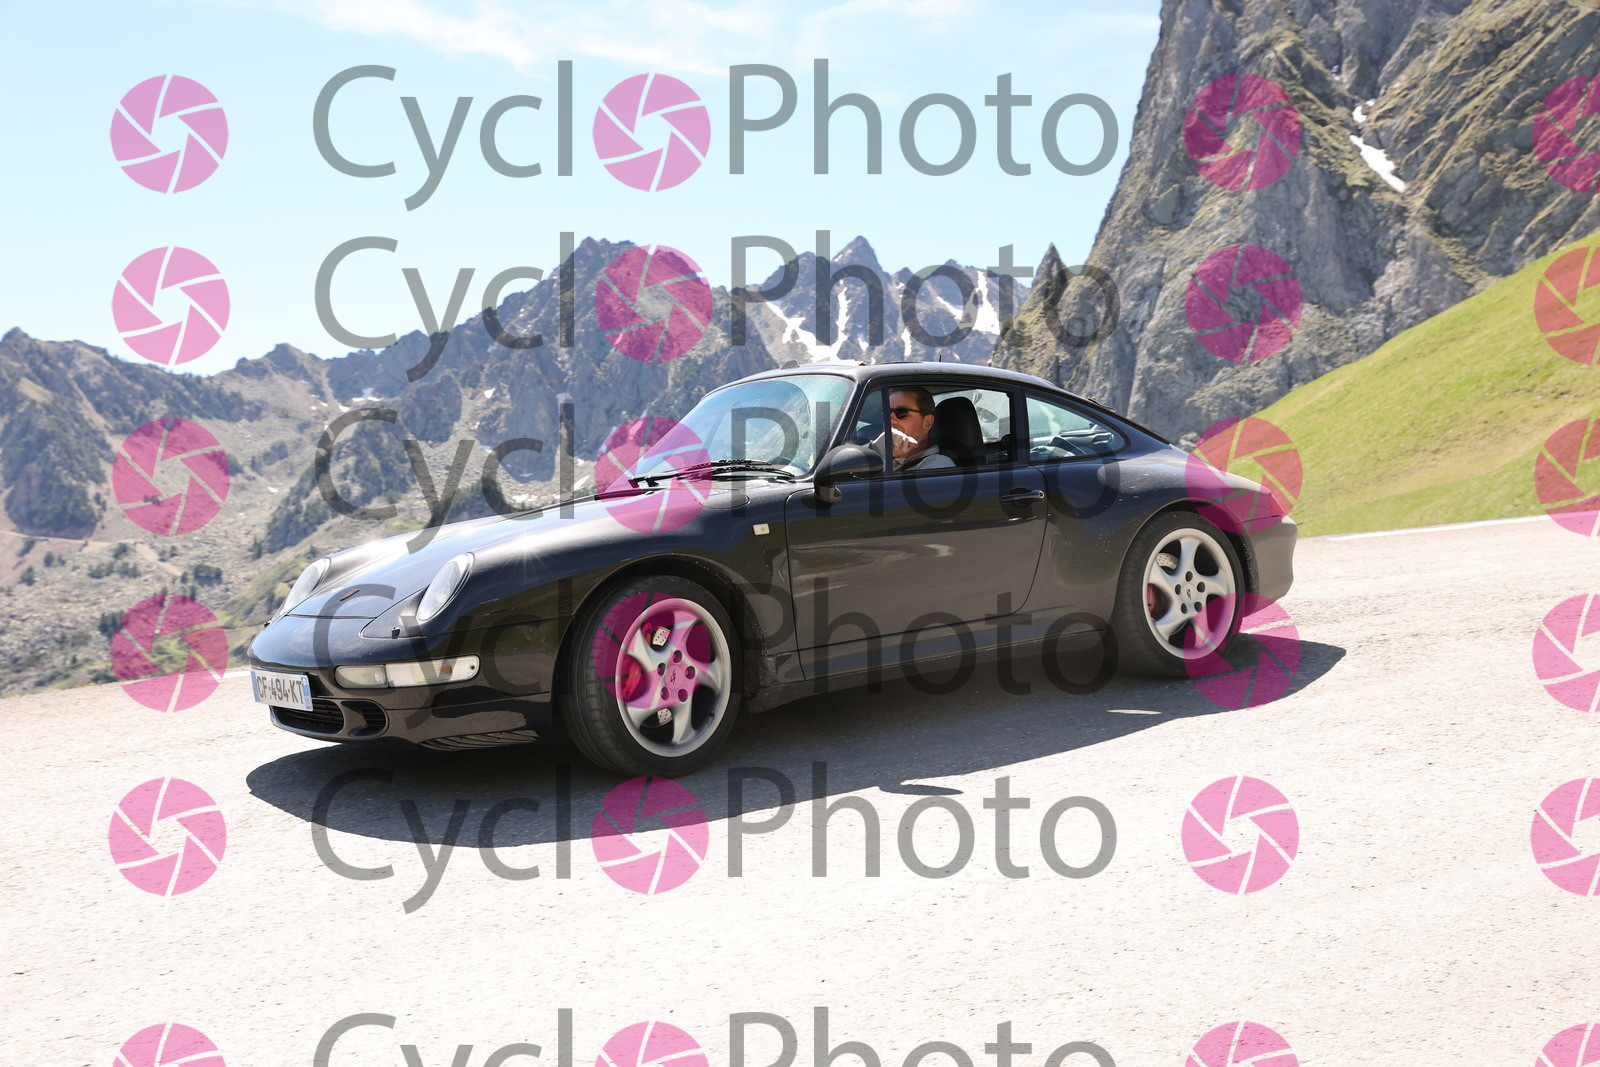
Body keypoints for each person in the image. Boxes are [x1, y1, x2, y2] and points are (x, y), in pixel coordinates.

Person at [884, 386, 956, 471]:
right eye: (886, 412)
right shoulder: (883, 459)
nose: (890, 420)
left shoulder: (939, 464)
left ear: (927, 423)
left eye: (901, 413)